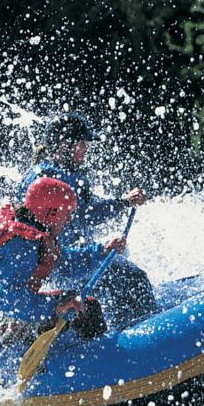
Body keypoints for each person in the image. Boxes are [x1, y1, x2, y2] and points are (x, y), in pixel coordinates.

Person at [18, 112, 155, 323]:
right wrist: (99, 252)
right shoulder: (50, 180)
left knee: (121, 263)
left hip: (68, 261)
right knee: (133, 278)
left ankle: (126, 325)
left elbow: (86, 214)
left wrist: (124, 203)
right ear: (63, 145)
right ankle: (144, 333)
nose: (86, 148)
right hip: (63, 268)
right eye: (81, 143)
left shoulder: (58, 174)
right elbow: (57, 250)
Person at [0, 177, 125, 346]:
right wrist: (55, 306)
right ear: (50, 213)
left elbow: (67, 262)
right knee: (86, 308)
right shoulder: (23, 246)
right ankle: (93, 360)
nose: (69, 219)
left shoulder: (28, 229)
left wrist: (103, 251)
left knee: (69, 299)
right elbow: (8, 300)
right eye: (66, 213)